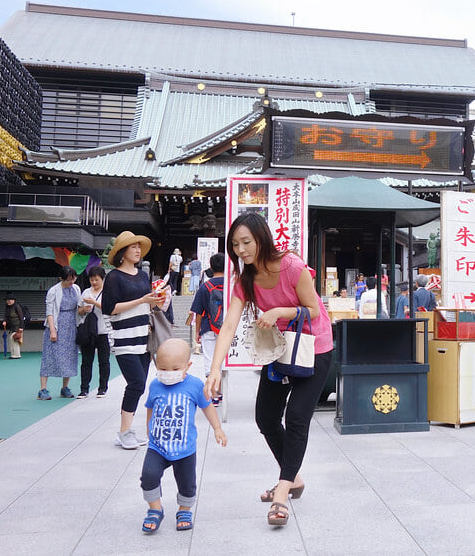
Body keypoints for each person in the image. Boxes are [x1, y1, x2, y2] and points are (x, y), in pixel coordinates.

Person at [206, 212, 334, 528]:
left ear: (262, 238)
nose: (241, 250)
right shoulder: (244, 280)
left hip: (313, 347)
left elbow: (314, 310)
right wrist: (214, 369)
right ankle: (294, 479)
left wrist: (277, 309)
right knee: (265, 416)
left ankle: (281, 494)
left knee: (297, 416)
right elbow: (228, 326)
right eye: (235, 244)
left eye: (246, 242)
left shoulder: (292, 266)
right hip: (280, 347)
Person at [140, 338, 226, 533]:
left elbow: (208, 407)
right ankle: (155, 509)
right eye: (162, 368)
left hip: (184, 447)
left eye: (174, 368)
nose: (168, 373)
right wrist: (148, 428)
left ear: (188, 366)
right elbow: (149, 407)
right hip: (158, 445)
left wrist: (217, 428)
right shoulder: (155, 385)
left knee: (187, 483)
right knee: (148, 476)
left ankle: (184, 510)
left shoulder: (195, 386)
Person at [104, 230, 162, 450]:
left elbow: (147, 305)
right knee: (136, 383)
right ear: (122, 252)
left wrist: (157, 300)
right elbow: (110, 309)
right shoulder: (114, 277)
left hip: (143, 337)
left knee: (138, 386)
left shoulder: (142, 275)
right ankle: (124, 431)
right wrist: (142, 299)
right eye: (133, 247)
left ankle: (127, 431)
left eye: (139, 246)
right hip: (124, 338)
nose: (137, 250)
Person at [39, 266, 85, 400]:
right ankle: (43, 389)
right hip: (57, 325)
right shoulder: (53, 291)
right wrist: (53, 330)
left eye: (73, 279)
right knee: (49, 356)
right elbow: (50, 312)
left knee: (70, 356)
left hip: (71, 326)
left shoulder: (76, 289)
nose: (71, 282)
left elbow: (78, 307)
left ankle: (65, 387)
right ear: (61, 278)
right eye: (68, 279)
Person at [189, 252, 225, 404]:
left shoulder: (205, 287)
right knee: (223, 361)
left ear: (211, 266)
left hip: (208, 327)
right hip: (226, 330)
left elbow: (198, 312)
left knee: (210, 361)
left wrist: (197, 332)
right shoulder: (232, 286)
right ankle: (221, 391)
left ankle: (214, 394)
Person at [79, 266, 112, 398]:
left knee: (104, 361)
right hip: (88, 331)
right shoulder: (86, 292)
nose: (94, 282)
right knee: (86, 361)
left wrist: (94, 303)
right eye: (92, 280)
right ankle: (84, 388)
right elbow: (79, 310)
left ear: (102, 279)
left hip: (104, 331)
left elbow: (110, 308)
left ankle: (103, 388)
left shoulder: (108, 292)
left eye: (96, 280)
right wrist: (84, 309)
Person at [2, 292, 25, 360]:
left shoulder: (17, 307)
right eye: (7, 300)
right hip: (12, 327)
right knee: (11, 340)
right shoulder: (8, 307)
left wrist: (21, 328)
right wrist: (4, 321)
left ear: (14, 300)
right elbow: (5, 315)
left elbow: (21, 318)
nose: (8, 301)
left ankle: (17, 355)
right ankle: (13, 354)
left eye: (10, 300)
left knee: (15, 340)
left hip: (18, 326)